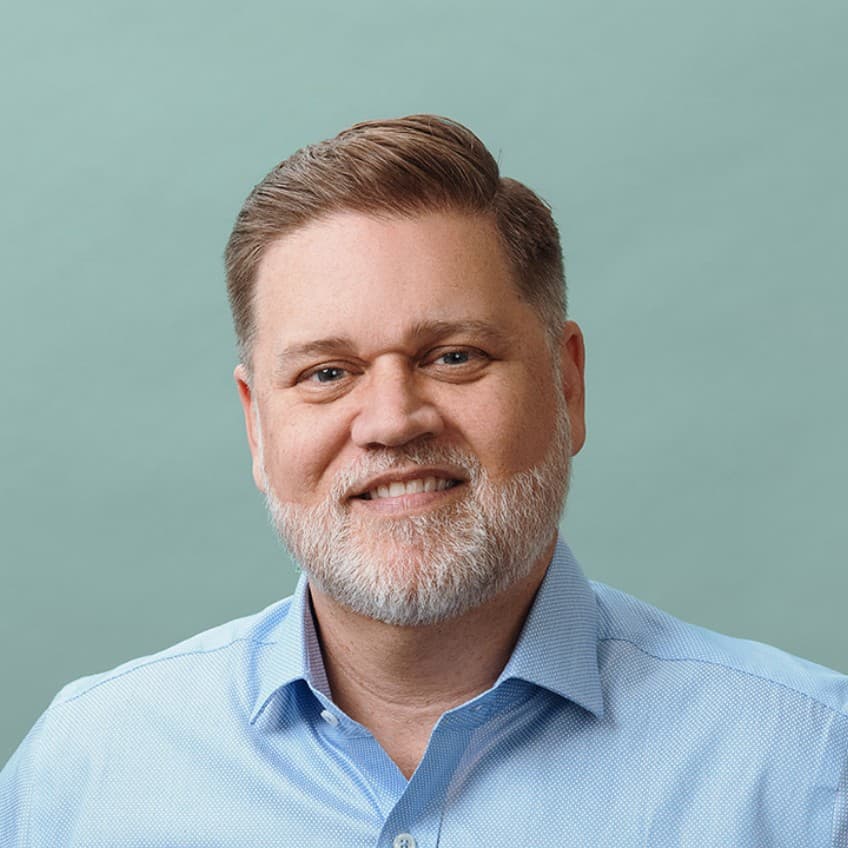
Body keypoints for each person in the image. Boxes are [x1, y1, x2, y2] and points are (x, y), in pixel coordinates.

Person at [1, 115, 846, 847]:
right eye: (327, 374)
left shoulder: (807, 769)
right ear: (257, 426)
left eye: (454, 357)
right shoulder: (83, 773)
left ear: (567, 385)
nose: (393, 420)